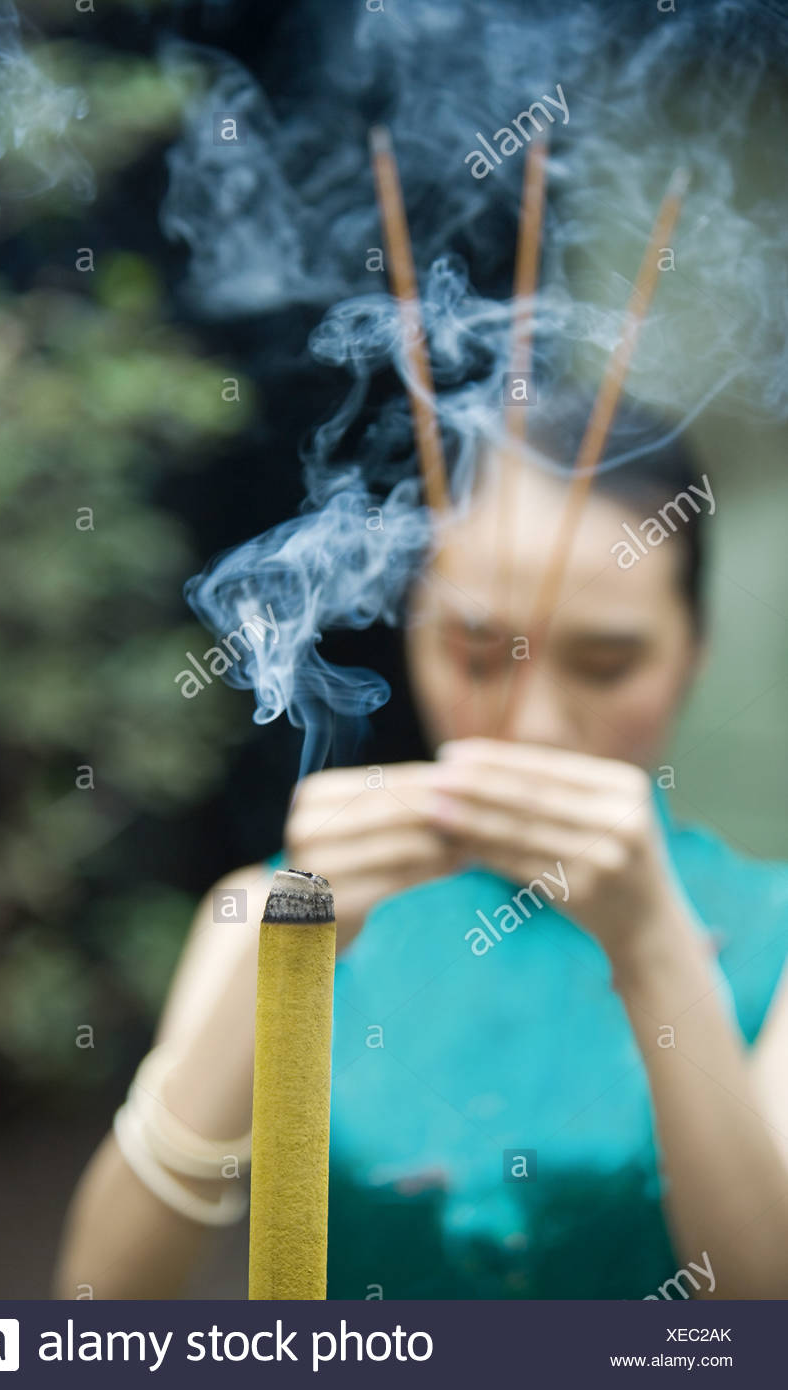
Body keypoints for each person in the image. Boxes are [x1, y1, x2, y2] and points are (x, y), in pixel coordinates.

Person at [54, 393, 788, 1299]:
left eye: (604, 664)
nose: (533, 723)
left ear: (694, 649)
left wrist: (651, 948)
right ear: (414, 631)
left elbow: (760, 1317)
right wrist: (281, 962)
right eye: (477, 652)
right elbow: (99, 1315)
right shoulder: (273, 903)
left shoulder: (771, 930)